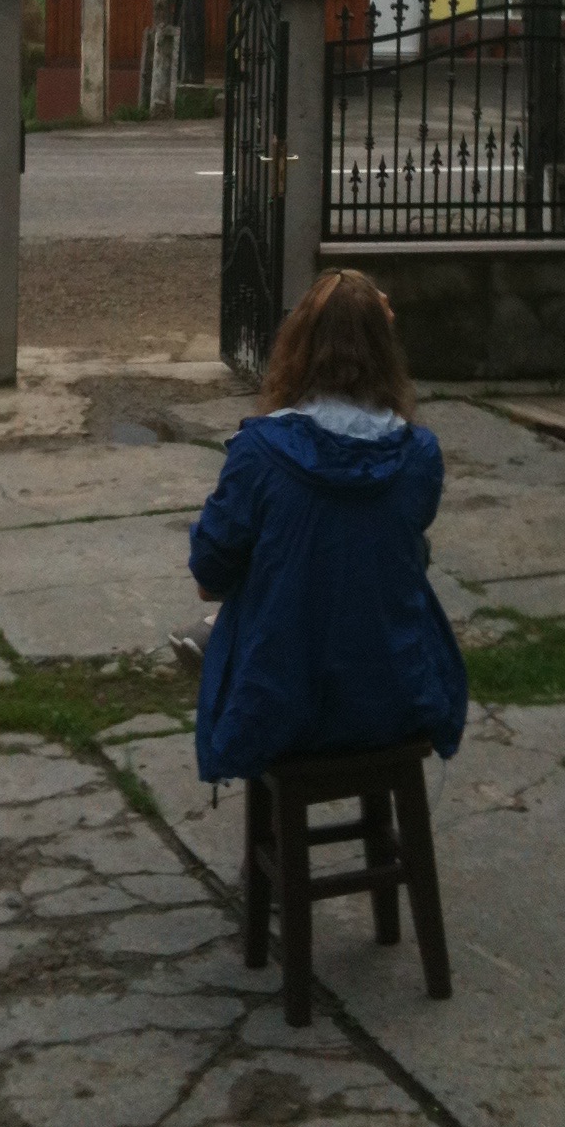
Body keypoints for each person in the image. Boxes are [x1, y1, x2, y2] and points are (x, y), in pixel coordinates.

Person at [188, 268, 467, 786]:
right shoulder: (419, 457)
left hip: (279, 710)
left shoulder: (259, 455)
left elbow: (210, 579)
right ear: (387, 353)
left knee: (234, 614)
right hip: (397, 694)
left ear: (297, 347)